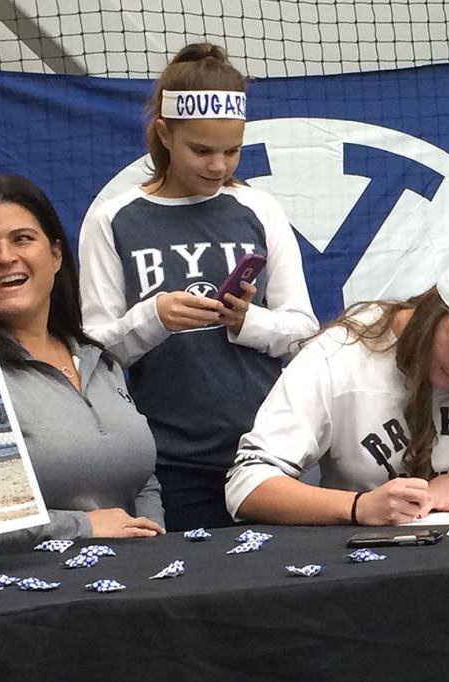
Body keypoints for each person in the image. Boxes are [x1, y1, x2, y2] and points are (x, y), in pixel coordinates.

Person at [79, 42, 318, 530]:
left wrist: (247, 321)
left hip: (267, 452)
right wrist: (154, 318)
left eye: (232, 151)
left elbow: (303, 331)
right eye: (202, 150)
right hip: (171, 461)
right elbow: (93, 356)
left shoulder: (259, 209)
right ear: (164, 134)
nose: (219, 166)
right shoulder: (112, 219)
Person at [225, 251, 449, 525]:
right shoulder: (338, 355)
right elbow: (246, 485)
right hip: (368, 563)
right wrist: (358, 507)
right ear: (432, 312)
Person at [0, 174, 165, 545]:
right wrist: (81, 527)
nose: (5, 257)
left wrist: (151, 534)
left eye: (22, 238)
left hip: (131, 575)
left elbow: (140, 478)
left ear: (55, 255)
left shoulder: (99, 360)